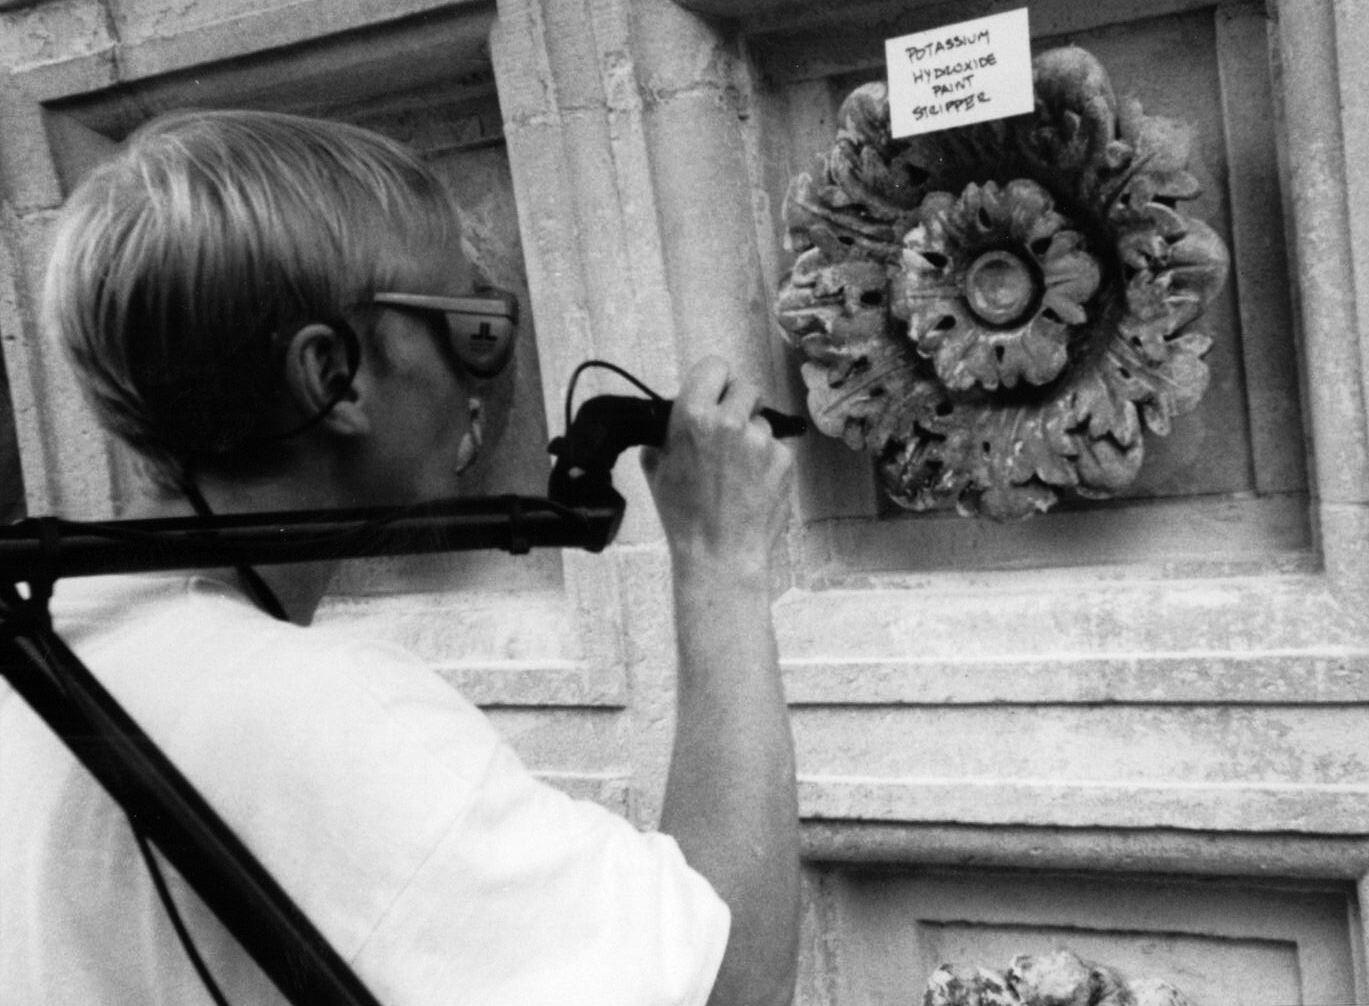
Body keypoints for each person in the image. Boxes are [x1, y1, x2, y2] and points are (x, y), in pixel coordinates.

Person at [0, 110, 800, 1005]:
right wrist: (721, 561)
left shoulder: (51, 632)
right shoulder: (313, 715)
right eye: (471, 330)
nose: (476, 384)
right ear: (328, 375)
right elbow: (732, 985)